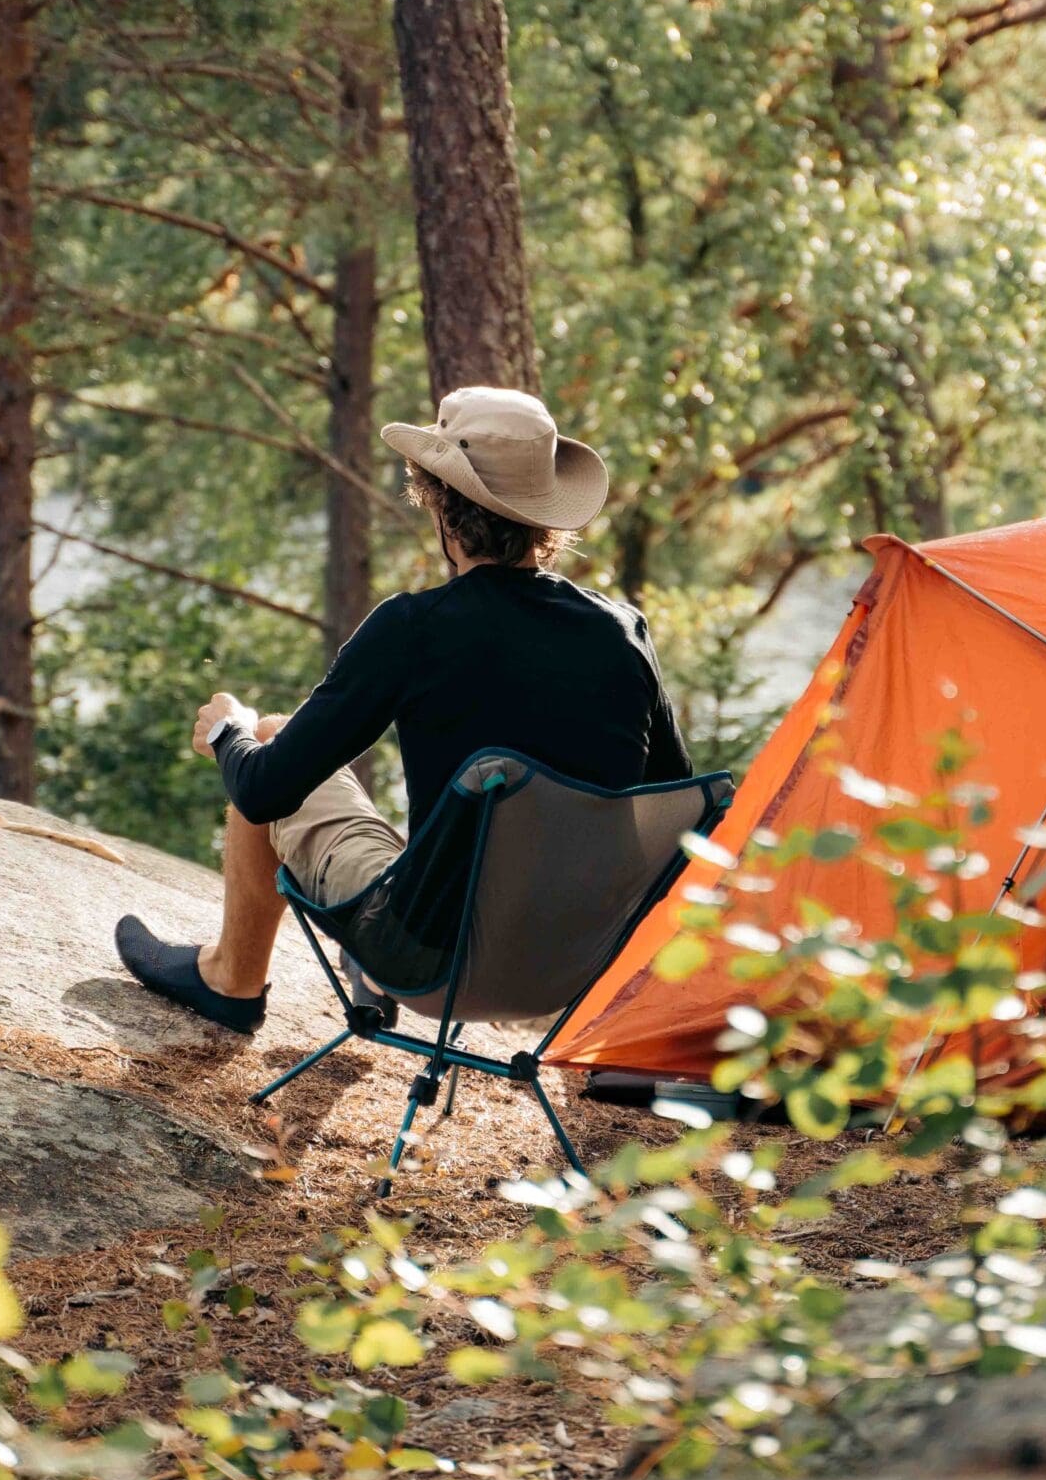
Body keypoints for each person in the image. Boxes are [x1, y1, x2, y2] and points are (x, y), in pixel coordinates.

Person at [114, 386, 690, 1034]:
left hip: (428, 962)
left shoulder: (414, 629)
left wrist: (227, 730)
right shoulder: (624, 632)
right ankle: (353, 954)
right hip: (575, 969)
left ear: (442, 504)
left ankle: (230, 982)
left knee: (268, 736)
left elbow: (263, 789)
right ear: (545, 516)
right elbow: (678, 814)